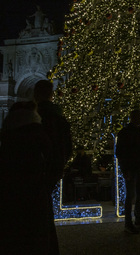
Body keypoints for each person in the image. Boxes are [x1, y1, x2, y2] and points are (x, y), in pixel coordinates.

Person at [0, 101, 51, 254]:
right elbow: (50, 155)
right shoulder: (37, 130)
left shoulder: (8, 131)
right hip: (34, 183)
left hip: (10, 185)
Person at [34, 80, 72, 254]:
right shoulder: (59, 117)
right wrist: (61, 163)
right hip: (53, 168)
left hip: (38, 170)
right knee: (45, 208)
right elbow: (67, 145)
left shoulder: (37, 116)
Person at [116, 109, 140, 234]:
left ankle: (134, 221)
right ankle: (131, 222)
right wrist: (125, 169)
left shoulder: (132, 132)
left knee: (137, 195)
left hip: (136, 168)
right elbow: (121, 153)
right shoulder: (132, 133)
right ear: (134, 118)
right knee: (133, 195)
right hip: (134, 168)